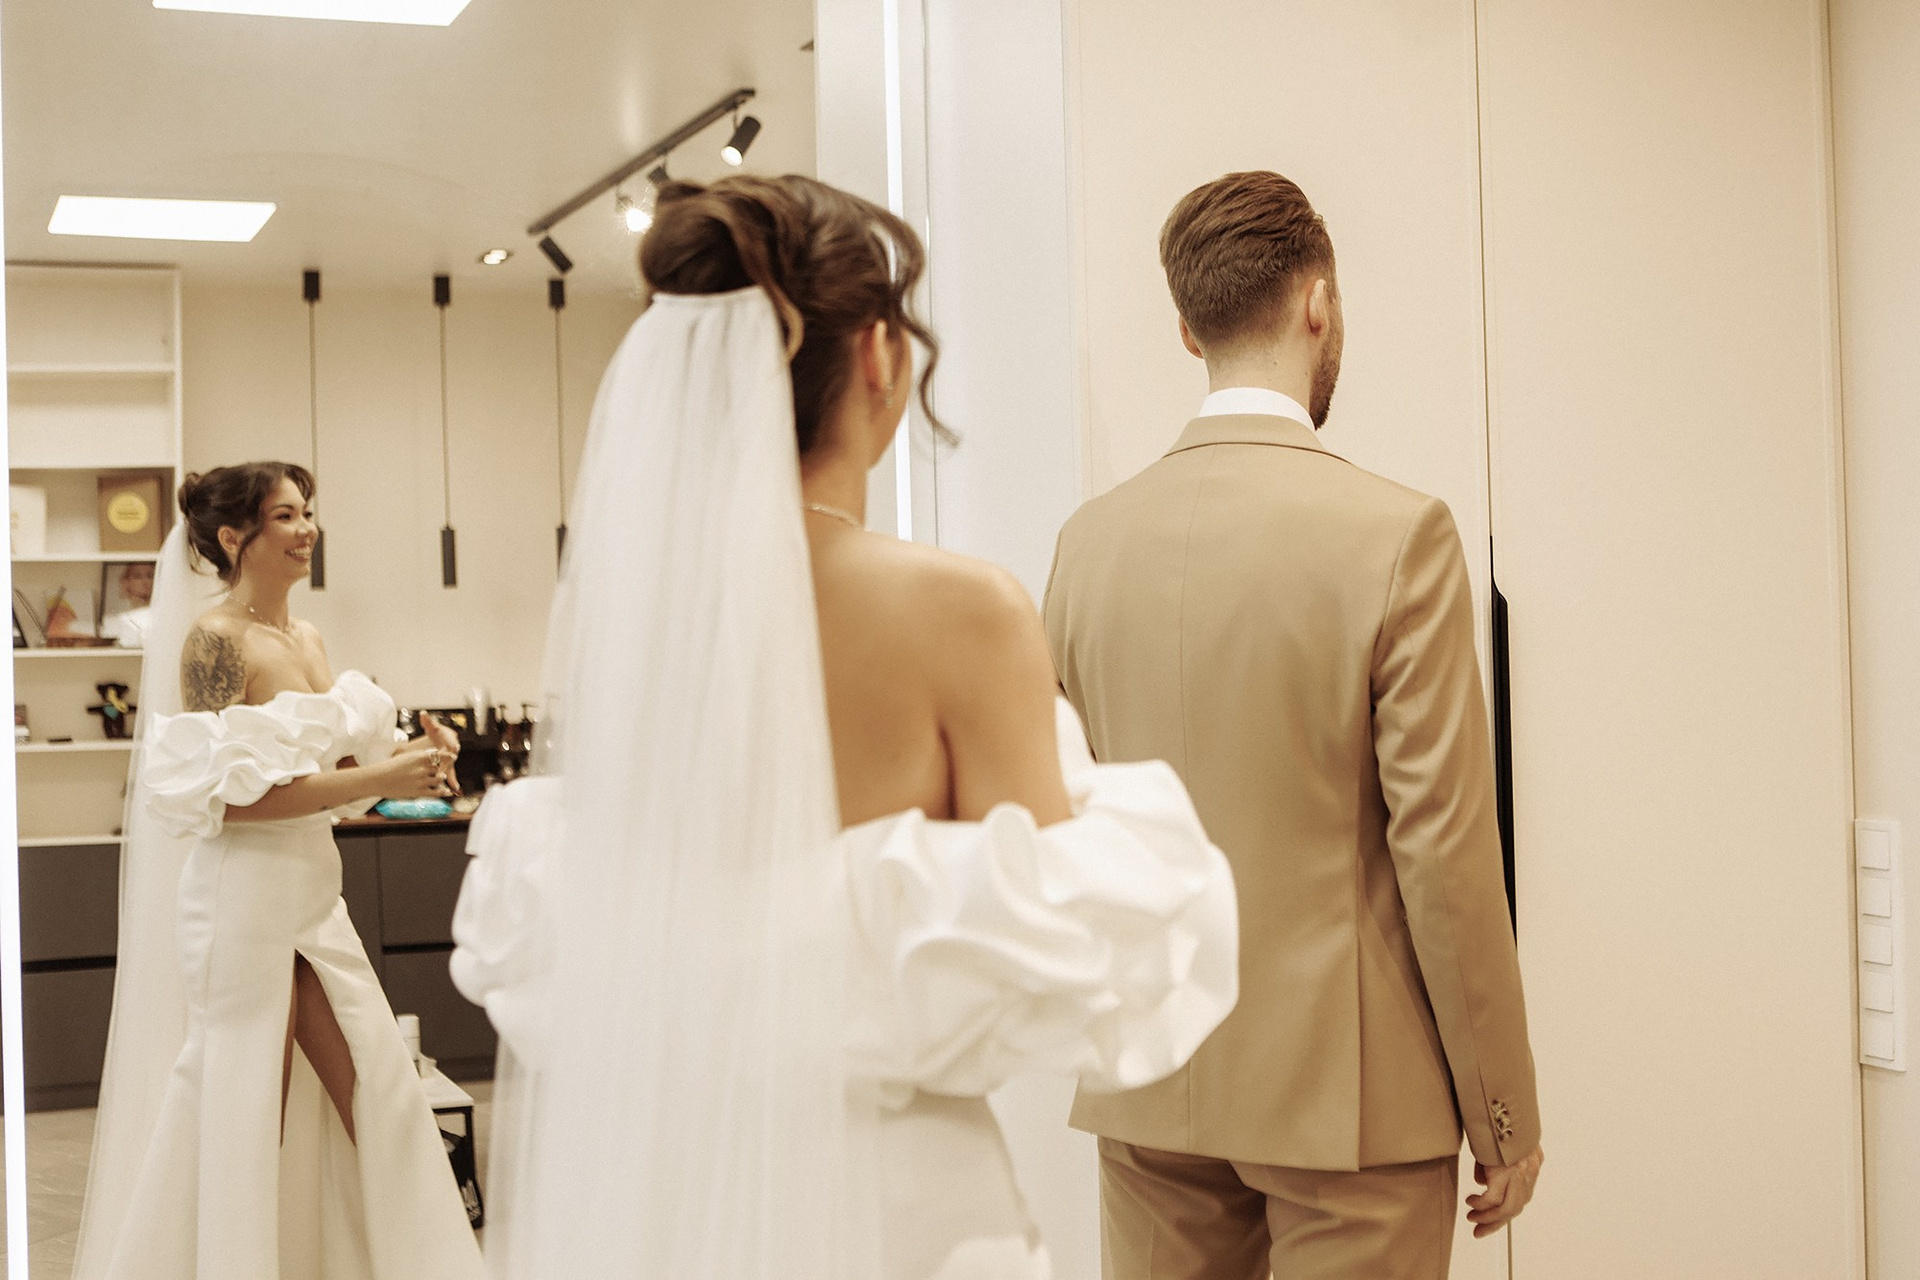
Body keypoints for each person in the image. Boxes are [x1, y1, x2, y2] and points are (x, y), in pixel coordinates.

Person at [449, 174, 1240, 1280]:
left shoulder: (640, 625)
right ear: (878, 353)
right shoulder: (962, 611)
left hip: (680, 1201)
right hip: (900, 1210)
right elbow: (1053, 966)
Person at [1043, 170, 1545, 1279]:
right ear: (1319, 302)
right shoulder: (1397, 535)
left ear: (1188, 328)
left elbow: (1064, 817)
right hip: (1352, 1104)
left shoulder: (1087, 545)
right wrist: (1503, 1112)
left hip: (1152, 1080)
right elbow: (1444, 854)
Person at [72, 463, 484, 1280]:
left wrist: (419, 759)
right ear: (235, 537)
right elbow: (228, 802)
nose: (307, 531)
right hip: (241, 901)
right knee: (250, 1099)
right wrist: (382, 776)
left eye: (307, 513)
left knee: (373, 1086)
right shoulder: (214, 642)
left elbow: (328, 777)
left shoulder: (309, 639)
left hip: (312, 896)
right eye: (286, 517)